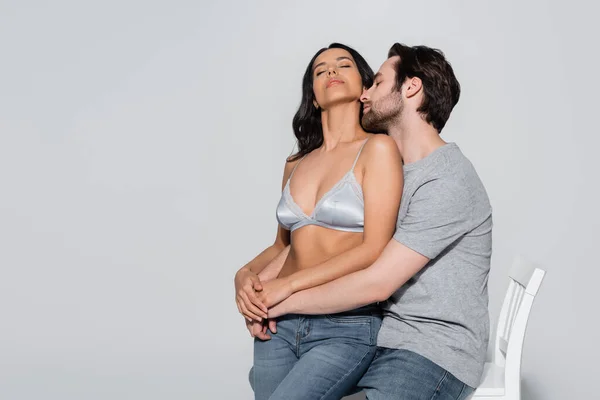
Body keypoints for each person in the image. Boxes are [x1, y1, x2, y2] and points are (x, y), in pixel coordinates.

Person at [259, 43, 493, 399]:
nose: (364, 93)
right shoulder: (396, 171)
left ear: (411, 88)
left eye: (378, 83)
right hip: (383, 336)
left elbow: (377, 283)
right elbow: (322, 240)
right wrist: (255, 283)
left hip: (430, 351)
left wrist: (282, 298)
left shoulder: (446, 179)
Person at [233, 43, 403, 400]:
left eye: (344, 65)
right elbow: (283, 245)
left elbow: (374, 249)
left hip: (347, 324)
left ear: (363, 88)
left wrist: (290, 287)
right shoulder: (295, 163)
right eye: (320, 70)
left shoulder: (378, 149)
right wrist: (244, 277)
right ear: (312, 96)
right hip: (278, 324)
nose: (331, 72)